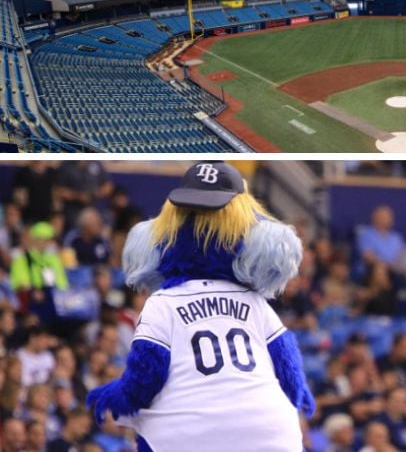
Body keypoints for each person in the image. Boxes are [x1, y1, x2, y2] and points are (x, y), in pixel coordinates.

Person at [86, 162, 314, 451]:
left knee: (145, 422)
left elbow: (144, 381)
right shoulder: (255, 302)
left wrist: (115, 396)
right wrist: (298, 398)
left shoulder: (163, 303)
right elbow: (289, 371)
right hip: (270, 432)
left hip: (188, 433)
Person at [356, 206, 405, 279]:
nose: (388, 219)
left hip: (394, 269)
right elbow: (368, 256)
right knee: (379, 269)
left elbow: (403, 256)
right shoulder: (366, 234)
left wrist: (394, 266)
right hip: (372, 269)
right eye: (384, 217)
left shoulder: (396, 237)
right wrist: (384, 265)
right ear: (375, 218)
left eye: (389, 217)